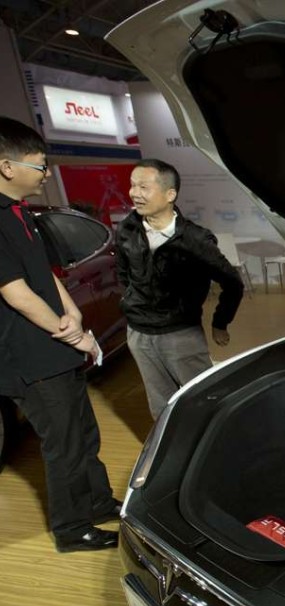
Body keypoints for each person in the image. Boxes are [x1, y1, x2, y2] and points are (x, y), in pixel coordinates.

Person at [0, 117, 119, 552]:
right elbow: (16, 293)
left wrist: (77, 323)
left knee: (84, 434)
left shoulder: (22, 214)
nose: (46, 173)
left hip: (55, 347)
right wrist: (68, 334)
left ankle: (100, 503)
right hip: (30, 356)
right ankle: (73, 529)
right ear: (7, 166)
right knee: (63, 446)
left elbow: (45, 279)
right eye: (39, 165)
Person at [117, 159, 244, 420]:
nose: (134, 193)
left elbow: (232, 282)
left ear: (169, 194)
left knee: (200, 403)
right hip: (139, 334)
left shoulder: (195, 239)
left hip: (180, 334)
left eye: (143, 186)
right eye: (132, 185)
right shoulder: (126, 229)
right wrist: (131, 301)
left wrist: (220, 322)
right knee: (160, 408)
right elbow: (123, 274)